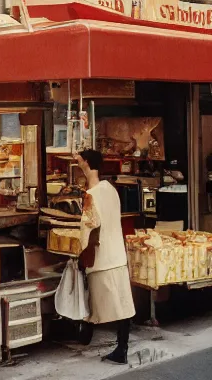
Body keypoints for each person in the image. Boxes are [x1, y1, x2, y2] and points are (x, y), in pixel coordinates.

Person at [76, 149, 134, 365]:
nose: (79, 165)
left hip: (102, 258)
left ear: (88, 163)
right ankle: (122, 347)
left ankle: (109, 345)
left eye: (80, 162)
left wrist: (82, 253)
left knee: (96, 302)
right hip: (117, 253)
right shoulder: (110, 189)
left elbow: (89, 226)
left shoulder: (92, 194)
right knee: (123, 305)